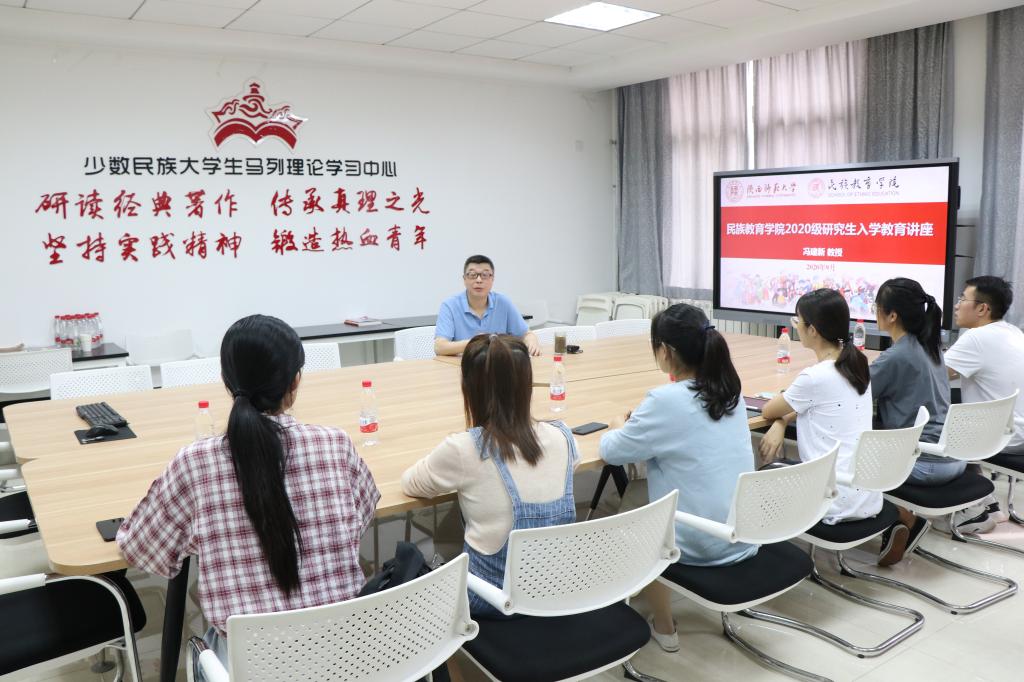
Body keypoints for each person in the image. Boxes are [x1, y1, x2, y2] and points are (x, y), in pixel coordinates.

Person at [117, 315, 379, 672]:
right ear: (295, 381)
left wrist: (210, 536)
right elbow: (359, 518)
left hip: (252, 667)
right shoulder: (335, 444)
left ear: (227, 382)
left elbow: (142, 549)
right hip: (348, 658)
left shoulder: (196, 462)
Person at [599, 303, 758, 653]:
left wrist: (618, 425)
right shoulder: (730, 389)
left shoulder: (665, 400)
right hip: (741, 531)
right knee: (642, 494)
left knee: (635, 511)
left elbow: (611, 451)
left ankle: (664, 626)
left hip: (700, 542)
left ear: (666, 352)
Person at [401, 334, 577, 616]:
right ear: (527, 385)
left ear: (468, 388)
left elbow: (411, 483)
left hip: (491, 604)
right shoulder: (563, 437)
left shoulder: (464, 449)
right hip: (554, 591)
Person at [761, 289, 881, 526]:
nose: (796, 326)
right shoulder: (857, 365)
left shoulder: (815, 377)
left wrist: (780, 420)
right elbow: (808, 404)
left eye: (797, 321)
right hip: (864, 494)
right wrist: (784, 420)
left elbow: (768, 410)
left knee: (760, 476)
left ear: (813, 330)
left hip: (830, 498)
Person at [869, 278, 955, 565]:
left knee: (845, 459)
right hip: (952, 457)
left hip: (923, 463)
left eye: (877, 307)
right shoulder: (931, 346)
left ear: (892, 315)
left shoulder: (896, 356)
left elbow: (853, 397)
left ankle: (903, 517)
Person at [944, 275, 1024, 529]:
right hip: (1016, 429)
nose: (957, 305)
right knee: (962, 419)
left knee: (932, 423)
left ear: (982, 309)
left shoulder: (976, 338)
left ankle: (973, 509)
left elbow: (934, 377)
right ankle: (988, 503)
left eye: (962, 299)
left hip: (1001, 436)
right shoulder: (1012, 330)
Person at [434, 255, 540, 356]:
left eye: (484, 275)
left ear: (492, 279)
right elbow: (439, 347)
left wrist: (531, 341)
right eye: (472, 275)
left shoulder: (503, 302)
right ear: (464, 279)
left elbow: (526, 334)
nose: (479, 280)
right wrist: (475, 343)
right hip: (461, 365)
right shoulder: (450, 306)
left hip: (497, 364)